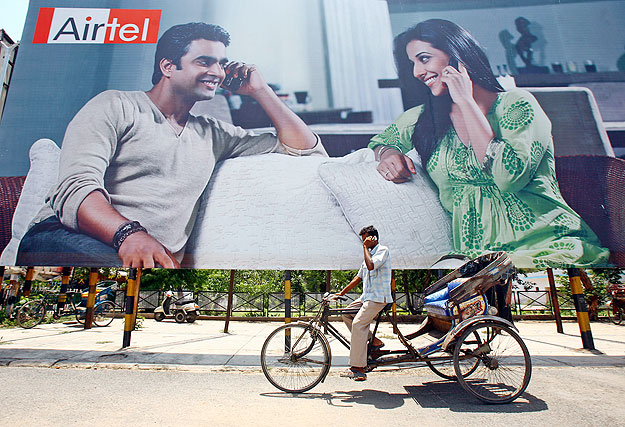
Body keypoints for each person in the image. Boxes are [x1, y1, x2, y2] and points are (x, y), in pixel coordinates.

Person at [17, 22, 326, 268]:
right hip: (63, 237)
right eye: (204, 61)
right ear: (168, 67)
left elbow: (305, 149)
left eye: (222, 63)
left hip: (146, 260)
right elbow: (77, 188)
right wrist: (130, 234)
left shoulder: (215, 134)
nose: (217, 72)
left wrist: (261, 91)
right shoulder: (115, 105)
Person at [369, 19, 609, 268]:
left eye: (424, 59)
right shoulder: (423, 118)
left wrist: (465, 101)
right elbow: (382, 141)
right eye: (412, 64)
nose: (417, 72)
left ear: (456, 56)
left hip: (547, 248)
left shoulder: (517, 105)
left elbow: (508, 178)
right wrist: (388, 153)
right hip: (479, 262)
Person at [336, 225, 392, 381]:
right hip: (366, 297)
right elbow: (358, 278)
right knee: (347, 314)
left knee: (358, 325)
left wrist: (365, 248)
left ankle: (358, 368)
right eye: (363, 240)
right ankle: (373, 341)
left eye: (366, 239)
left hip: (378, 298)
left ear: (373, 238)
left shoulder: (382, 251)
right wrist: (341, 293)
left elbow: (371, 265)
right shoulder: (367, 253)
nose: (363, 242)